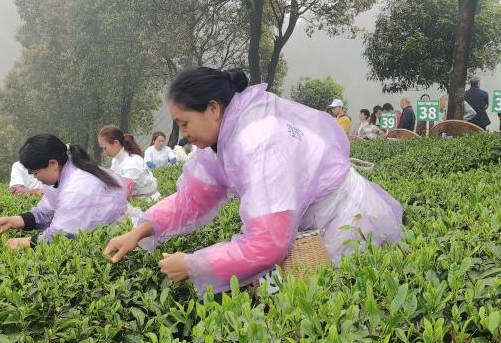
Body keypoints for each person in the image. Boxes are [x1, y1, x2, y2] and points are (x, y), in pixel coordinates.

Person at [103, 67, 404, 295]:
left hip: (347, 225)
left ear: (213, 108)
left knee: (328, 312)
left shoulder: (259, 141)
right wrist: (140, 230)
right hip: (309, 229)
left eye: (185, 123)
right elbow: (192, 199)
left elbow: (268, 243)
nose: (183, 133)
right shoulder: (221, 137)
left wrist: (193, 264)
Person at [0, 135, 130, 250]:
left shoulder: (77, 186)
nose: (36, 178)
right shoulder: (63, 174)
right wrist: (12, 221)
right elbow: (46, 213)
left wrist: (26, 242)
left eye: (35, 172)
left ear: (53, 163)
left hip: (115, 238)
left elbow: (62, 234)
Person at [99, 125, 160, 202]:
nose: (104, 152)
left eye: (105, 148)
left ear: (116, 143)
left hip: (147, 201)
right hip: (136, 198)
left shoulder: (131, 164)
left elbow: (123, 194)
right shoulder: (116, 160)